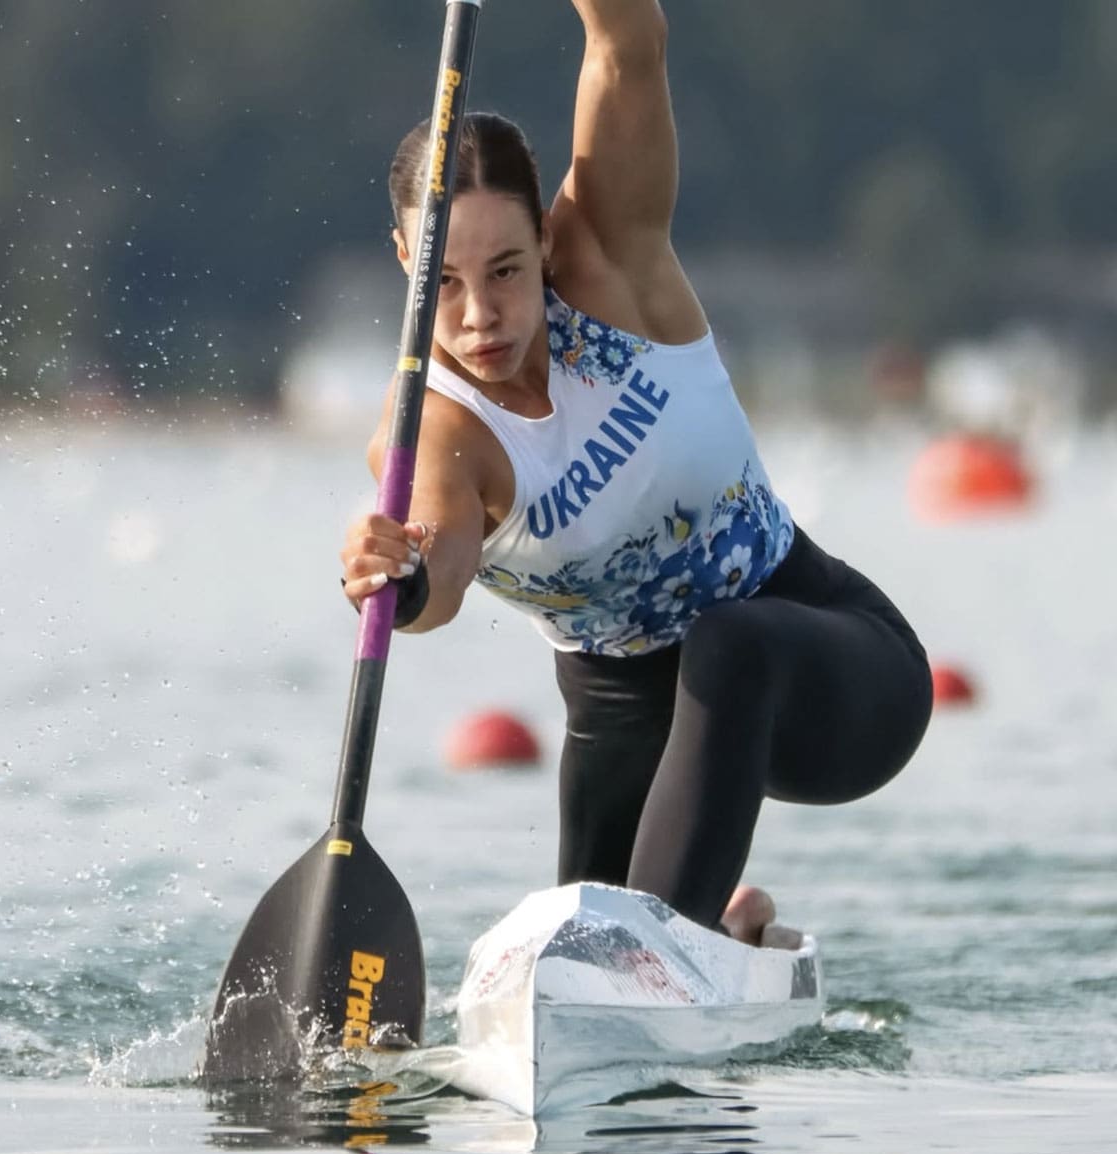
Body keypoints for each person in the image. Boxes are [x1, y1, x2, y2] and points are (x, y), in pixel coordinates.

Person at [340, 0, 933, 947]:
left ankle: (666, 950)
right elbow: (440, 560)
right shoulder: (433, 429)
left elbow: (627, 36)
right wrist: (399, 577)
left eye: (505, 270)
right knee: (577, 946)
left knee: (729, 644)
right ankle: (727, 933)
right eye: (443, 282)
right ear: (405, 259)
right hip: (619, 722)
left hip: (830, 667)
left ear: (545, 241)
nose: (479, 316)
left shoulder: (611, 258)